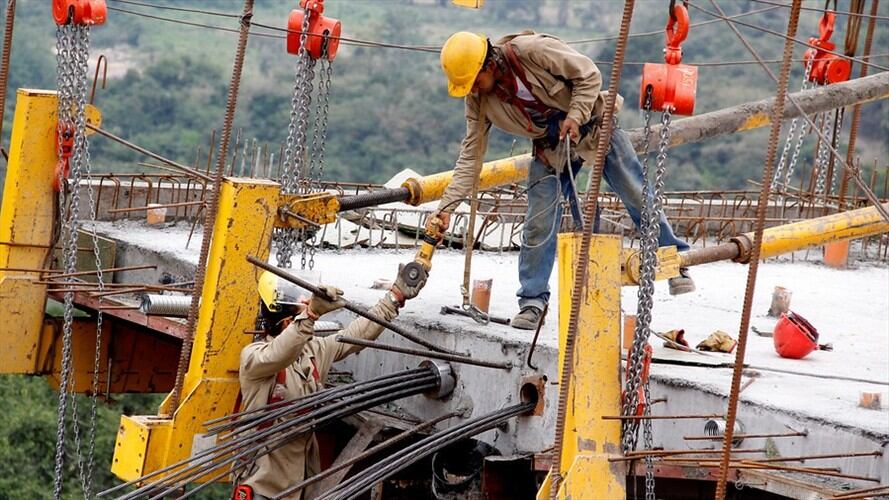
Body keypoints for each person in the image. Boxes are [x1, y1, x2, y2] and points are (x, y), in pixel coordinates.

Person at [432, 31, 695, 330]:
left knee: (636, 194)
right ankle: (532, 301)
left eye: (474, 82)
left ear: (488, 66)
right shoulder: (478, 101)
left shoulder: (533, 50)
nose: (473, 91)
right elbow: (470, 158)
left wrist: (576, 113)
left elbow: (589, 76)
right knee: (538, 223)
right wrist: (447, 207)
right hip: (551, 147)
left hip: (594, 129)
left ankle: (676, 262)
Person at [233, 268, 426, 500]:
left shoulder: (313, 352)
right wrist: (312, 315)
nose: (307, 303)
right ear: (286, 319)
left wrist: (394, 297)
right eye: (301, 302)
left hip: (302, 489)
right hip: (263, 491)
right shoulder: (255, 358)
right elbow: (281, 352)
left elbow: (357, 334)